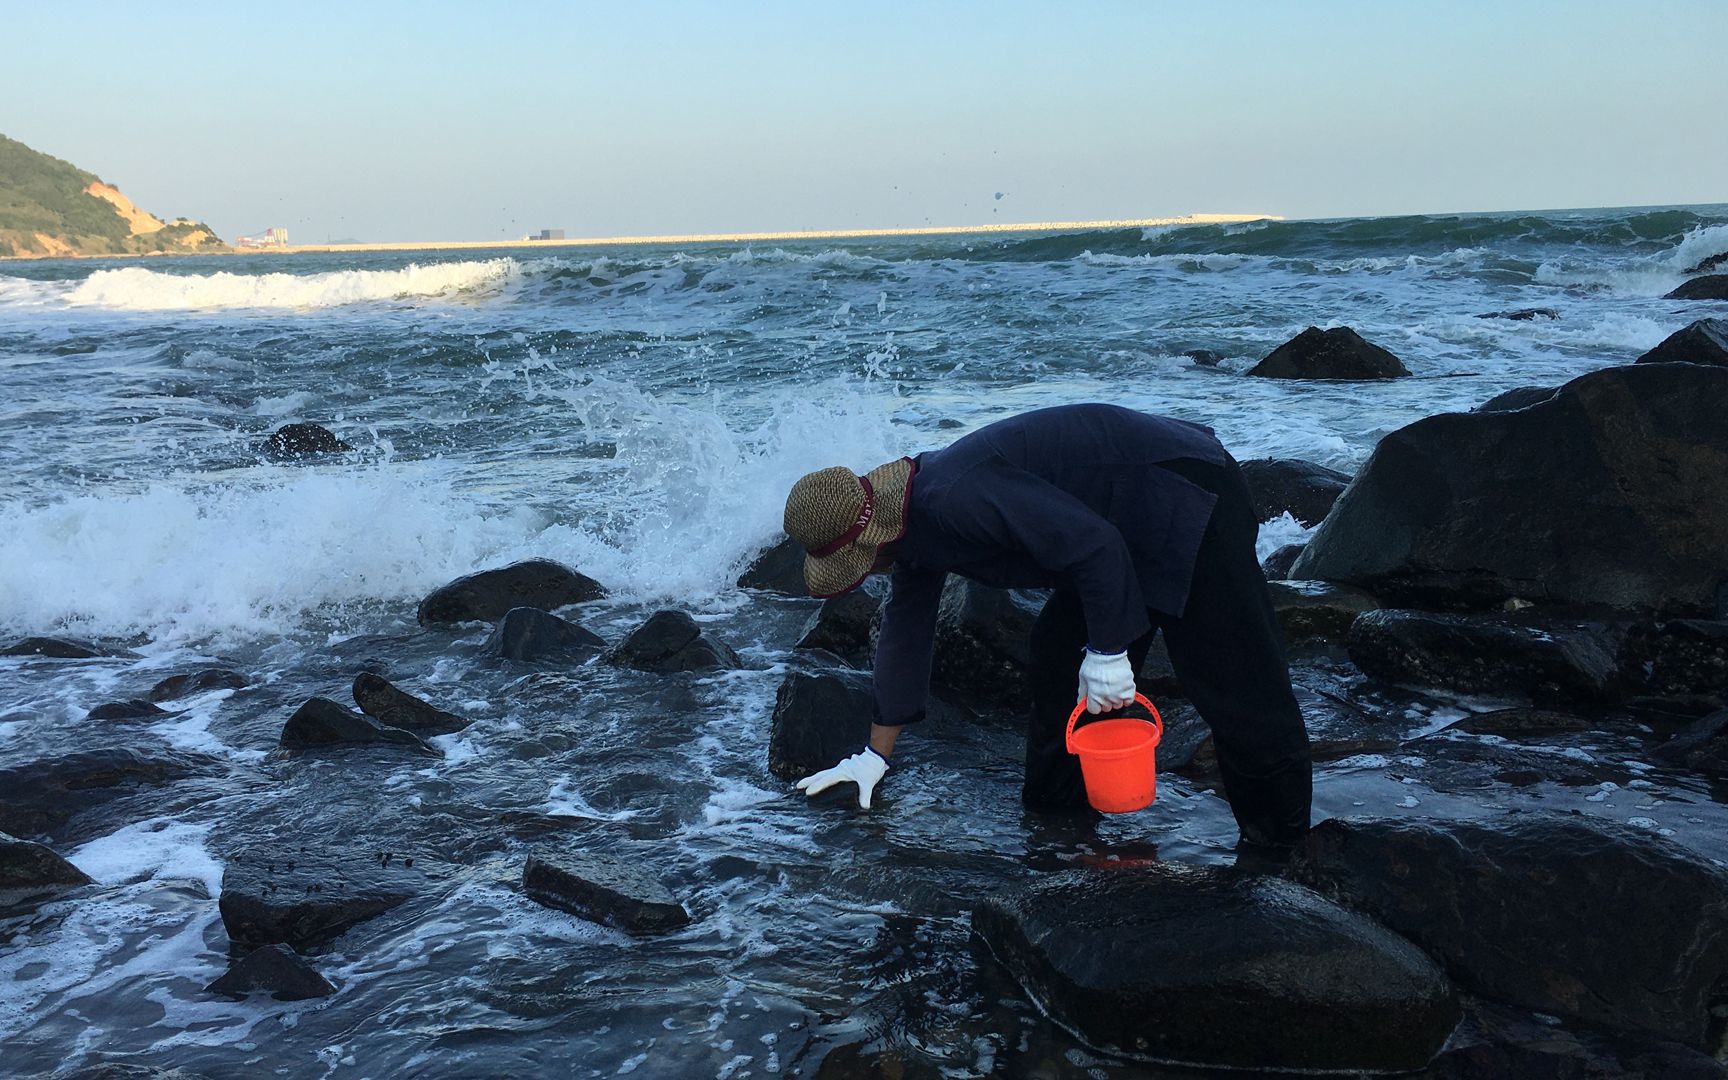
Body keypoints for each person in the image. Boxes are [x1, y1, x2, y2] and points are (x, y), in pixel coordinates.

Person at [782, 403, 1312, 854]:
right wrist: (874, 757)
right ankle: (1063, 831)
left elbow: (1095, 547)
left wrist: (1108, 652)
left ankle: (1280, 856)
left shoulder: (953, 498)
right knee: (1059, 657)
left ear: (868, 544)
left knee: (1232, 683)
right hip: (1118, 522)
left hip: (1184, 489)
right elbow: (906, 629)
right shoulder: (912, 526)